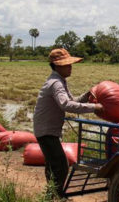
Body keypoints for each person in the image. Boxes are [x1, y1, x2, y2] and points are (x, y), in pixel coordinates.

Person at [33, 48, 103, 200]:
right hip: (46, 130)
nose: (70, 67)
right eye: (67, 65)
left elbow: (72, 101)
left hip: (46, 129)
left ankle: (52, 195)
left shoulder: (59, 81)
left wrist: (86, 96)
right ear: (57, 66)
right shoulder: (56, 83)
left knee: (53, 164)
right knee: (61, 165)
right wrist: (95, 107)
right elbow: (66, 105)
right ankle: (55, 196)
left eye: (70, 64)